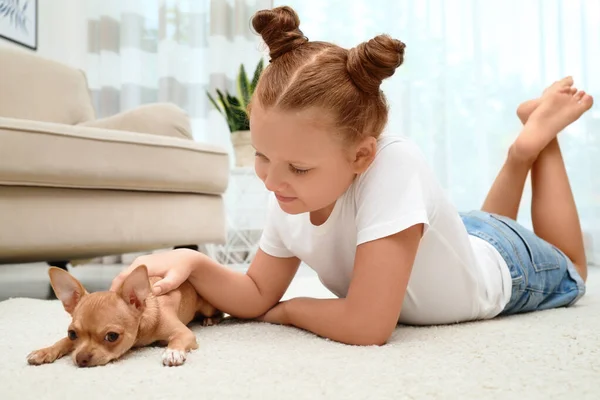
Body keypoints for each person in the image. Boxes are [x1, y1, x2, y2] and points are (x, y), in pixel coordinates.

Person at [111, 6, 594, 346]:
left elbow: (367, 325)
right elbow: (255, 292)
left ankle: (533, 145)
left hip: (510, 265)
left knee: (574, 270)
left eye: (298, 167)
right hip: (453, 238)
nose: (271, 180)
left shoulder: (395, 163)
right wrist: (191, 262)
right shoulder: (289, 189)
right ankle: (522, 153)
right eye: (261, 156)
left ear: (362, 157)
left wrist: (290, 310)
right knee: (482, 227)